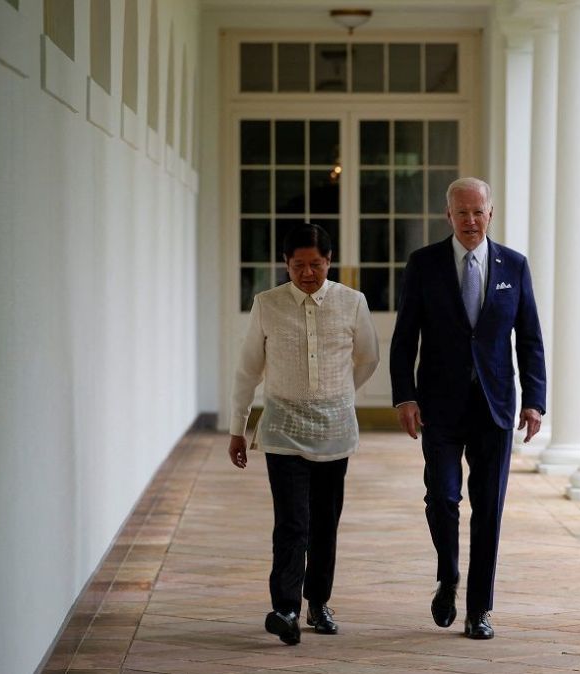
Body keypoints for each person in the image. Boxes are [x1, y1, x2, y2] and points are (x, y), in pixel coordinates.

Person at [390, 177, 546, 640]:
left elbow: (531, 339)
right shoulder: (424, 264)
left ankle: (480, 609)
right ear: (449, 216)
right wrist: (405, 395)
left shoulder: (513, 266)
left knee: (489, 507)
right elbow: (405, 337)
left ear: (491, 214)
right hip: (439, 403)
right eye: (462, 213)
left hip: (495, 407)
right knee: (442, 498)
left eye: (478, 212)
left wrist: (535, 400)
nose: (471, 221)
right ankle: (449, 575)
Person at [228, 223, 379, 646]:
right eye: (299, 265)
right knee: (292, 522)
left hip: (334, 430)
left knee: (325, 522)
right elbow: (247, 370)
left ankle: (319, 603)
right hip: (282, 430)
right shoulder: (267, 303)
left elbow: (367, 358)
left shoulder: (352, 303)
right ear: (286, 265)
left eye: (316, 264)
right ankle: (286, 608)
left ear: (329, 262)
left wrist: (338, 393)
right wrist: (237, 428)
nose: (308, 273)